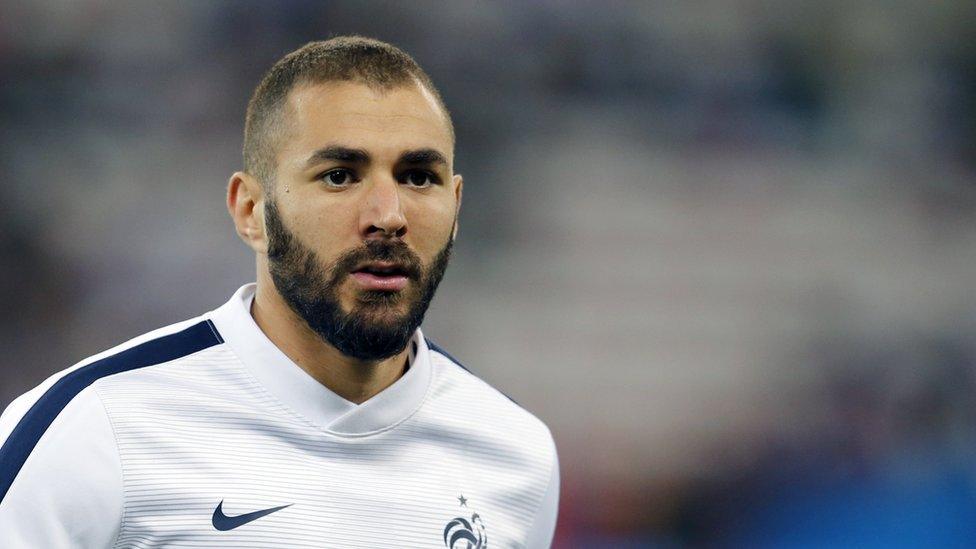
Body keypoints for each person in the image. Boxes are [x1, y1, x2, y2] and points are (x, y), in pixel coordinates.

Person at [0, 36, 558, 548]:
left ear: (457, 206)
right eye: (340, 175)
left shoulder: (516, 458)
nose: (389, 216)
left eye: (418, 177)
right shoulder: (94, 431)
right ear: (251, 211)